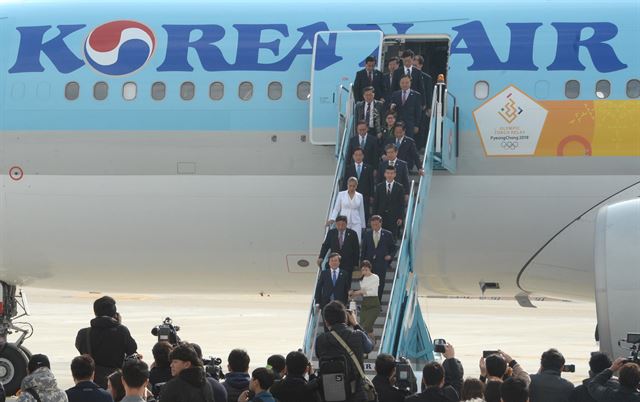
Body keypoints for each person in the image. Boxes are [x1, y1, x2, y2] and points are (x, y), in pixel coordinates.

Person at [315, 301, 373, 402]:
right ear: (345, 318)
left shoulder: (321, 340)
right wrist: (355, 324)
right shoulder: (358, 335)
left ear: (326, 321)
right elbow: (369, 347)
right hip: (356, 394)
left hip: (331, 393)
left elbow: (319, 355)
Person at [75, 296, 138, 388]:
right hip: (115, 382)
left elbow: (81, 350)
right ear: (114, 313)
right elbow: (132, 350)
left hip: (92, 381)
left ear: (95, 312)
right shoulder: (121, 331)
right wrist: (119, 325)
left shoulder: (83, 333)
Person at [361, 215, 396, 301]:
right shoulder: (367, 234)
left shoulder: (388, 234)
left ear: (380, 223)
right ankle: (368, 302)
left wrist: (390, 256)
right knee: (368, 283)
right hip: (369, 264)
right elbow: (364, 250)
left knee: (379, 283)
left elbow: (393, 248)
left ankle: (377, 302)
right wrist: (362, 264)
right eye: (373, 225)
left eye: (376, 224)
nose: (374, 226)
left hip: (381, 263)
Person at [348, 260, 380, 340]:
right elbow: (362, 293)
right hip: (365, 303)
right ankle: (373, 340)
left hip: (374, 303)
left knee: (367, 325)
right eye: (362, 270)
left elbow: (372, 292)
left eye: (366, 269)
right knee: (362, 325)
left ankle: (370, 341)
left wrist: (359, 292)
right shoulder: (361, 280)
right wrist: (354, 293)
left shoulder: (375, 277)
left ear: (370, 269)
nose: (364, 272)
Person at [328, 177, 366, 243]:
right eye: (350, 186)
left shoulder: (360, 196)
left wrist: (363, 225)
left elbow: (361, 211)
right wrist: (332, 218)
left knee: (356, 241)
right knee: (343, 240)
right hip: (343, 221)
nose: (351, 188)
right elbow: (336, 208)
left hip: (356, 222)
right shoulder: (341, 194)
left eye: (353, 186)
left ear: (356, 186)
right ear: (347, 185)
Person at [343, 148, 375, 223]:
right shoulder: (349, 168)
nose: (358, 157)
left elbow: (371, 183)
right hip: (352, 195)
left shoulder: (369, 168)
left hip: (365, 196)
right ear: (353, 156)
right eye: (356, 155)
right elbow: (345, 182)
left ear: (363, 156)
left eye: (360, 155)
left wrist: (372, 195)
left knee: (365, 214)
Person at [374, 166, 406, 237]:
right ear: (385, 174)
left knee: (392, 238)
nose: (389, 175)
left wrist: (400, 217)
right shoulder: (379, 187)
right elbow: (376, 203)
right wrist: (374, 216)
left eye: (391, 173)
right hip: (381, 217)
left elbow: (401, 204)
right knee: (380, 238)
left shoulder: (399, 187)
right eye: (388, 173)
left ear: (395, 174)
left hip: (393, 217)